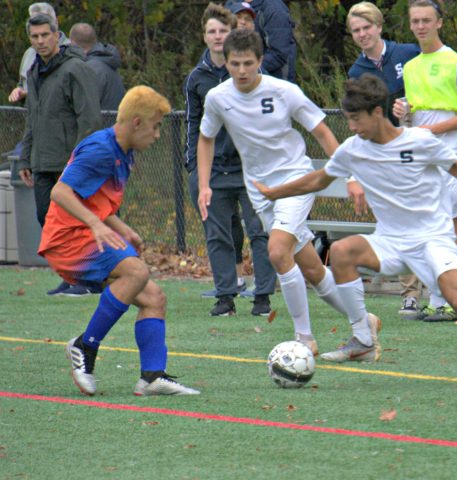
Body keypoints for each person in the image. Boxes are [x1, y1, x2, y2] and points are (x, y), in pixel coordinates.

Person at [254, 73, 457, 388]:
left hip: (432, 241)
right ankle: (363, 339)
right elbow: (318, 179)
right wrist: (275, 193)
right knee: (341, 252)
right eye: (348, 119)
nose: (351, 127)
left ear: (377, 112)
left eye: (356, 119)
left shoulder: (420, 141)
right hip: (390, 242)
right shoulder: (352, 149)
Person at [197, 29, 352, 356]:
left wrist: (348, 174)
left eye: (248, 63)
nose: (241, 70)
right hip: (262, 192)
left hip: (296, 180)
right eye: (235, 63)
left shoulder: (284, 91)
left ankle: (304, 339)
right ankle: (364, 320)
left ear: (260, 61)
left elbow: (322, 131)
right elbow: (206, 138)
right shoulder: (217, 98)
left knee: (278, 252)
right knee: (312, 269)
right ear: (226, 62)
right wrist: (204, 185)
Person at [39, 86, 199, 396]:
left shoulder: (123, 152)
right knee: (137, 272)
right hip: (68, 240)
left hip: (85, 233)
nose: (157, 135)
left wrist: (122, 227)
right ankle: (85, 346)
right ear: (136, 123)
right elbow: (60, 192)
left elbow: (94, 199)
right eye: (155, 127)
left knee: (154, 298)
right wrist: (95, 224)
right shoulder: (101, 149)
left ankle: (152, 376)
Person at [392, 0, 457, 322]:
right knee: (429, 225)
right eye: (415, 21)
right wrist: (403, 113)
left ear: (439, 22)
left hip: (447, 151)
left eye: (426, 20)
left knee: (452, 223)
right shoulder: (411, 66)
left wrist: (434, 130)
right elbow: (414, 116)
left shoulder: (456, 63)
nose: (420, 26)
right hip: (420, 153)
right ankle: (437, 298)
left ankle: (452, 301)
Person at [185, 3, 276, 317]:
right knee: (218, 235)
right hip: (214, 171)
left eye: (223, 31)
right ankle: (225, 297)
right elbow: (193, 125)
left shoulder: (251, 73)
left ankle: (263, 297)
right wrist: (194, 168)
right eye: (211, 31)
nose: (217, 36)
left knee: (260, 232)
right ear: (204, 36)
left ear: (233, 33)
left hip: (252, 169)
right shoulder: (196, 79)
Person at [347, 1, 429, 318]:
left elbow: (435, 92)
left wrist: (411, 107)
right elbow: (359, 118)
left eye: (367, 27)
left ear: (379, 26)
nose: (362, 34)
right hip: (387, 155)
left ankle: (448, 288)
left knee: (435, 216)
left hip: (421, 145)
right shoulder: (357, 72)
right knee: (399, 220)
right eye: (356, 30)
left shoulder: (408, 53)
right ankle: (410, 294)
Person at [18, 13, 102, 297]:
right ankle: (71, 276)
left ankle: (88, 280)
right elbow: (32, 118)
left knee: (76, 222)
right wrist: (26, 156)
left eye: (45, 35)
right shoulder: (34, 71)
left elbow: (89, 119)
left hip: (69, 162)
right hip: (42, 161)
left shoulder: (75, 68)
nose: (40, 41)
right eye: (35, 36)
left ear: (57, 35)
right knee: (47, 218)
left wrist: (78, 162)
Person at [7, 2, 69, 104]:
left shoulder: (71, 53)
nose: (38, 25)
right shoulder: (29, 53)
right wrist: (19, 91)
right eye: (34, 21)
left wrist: (30, 95)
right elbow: (22, 84)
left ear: (56, 23)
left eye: (43, 20)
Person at [225, 0, 297, 82]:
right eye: (238, 17)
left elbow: (279, 55)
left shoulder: (275, 10)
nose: (242, 22)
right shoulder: (231, 3)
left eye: (247, 19)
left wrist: (247, 67)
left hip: (274, 80)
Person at [69, 22, 126, 111]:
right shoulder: (105, 60)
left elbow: (84, 108)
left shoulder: (91, 68)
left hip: (102, 120)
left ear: (72, 43)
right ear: (94, 40)